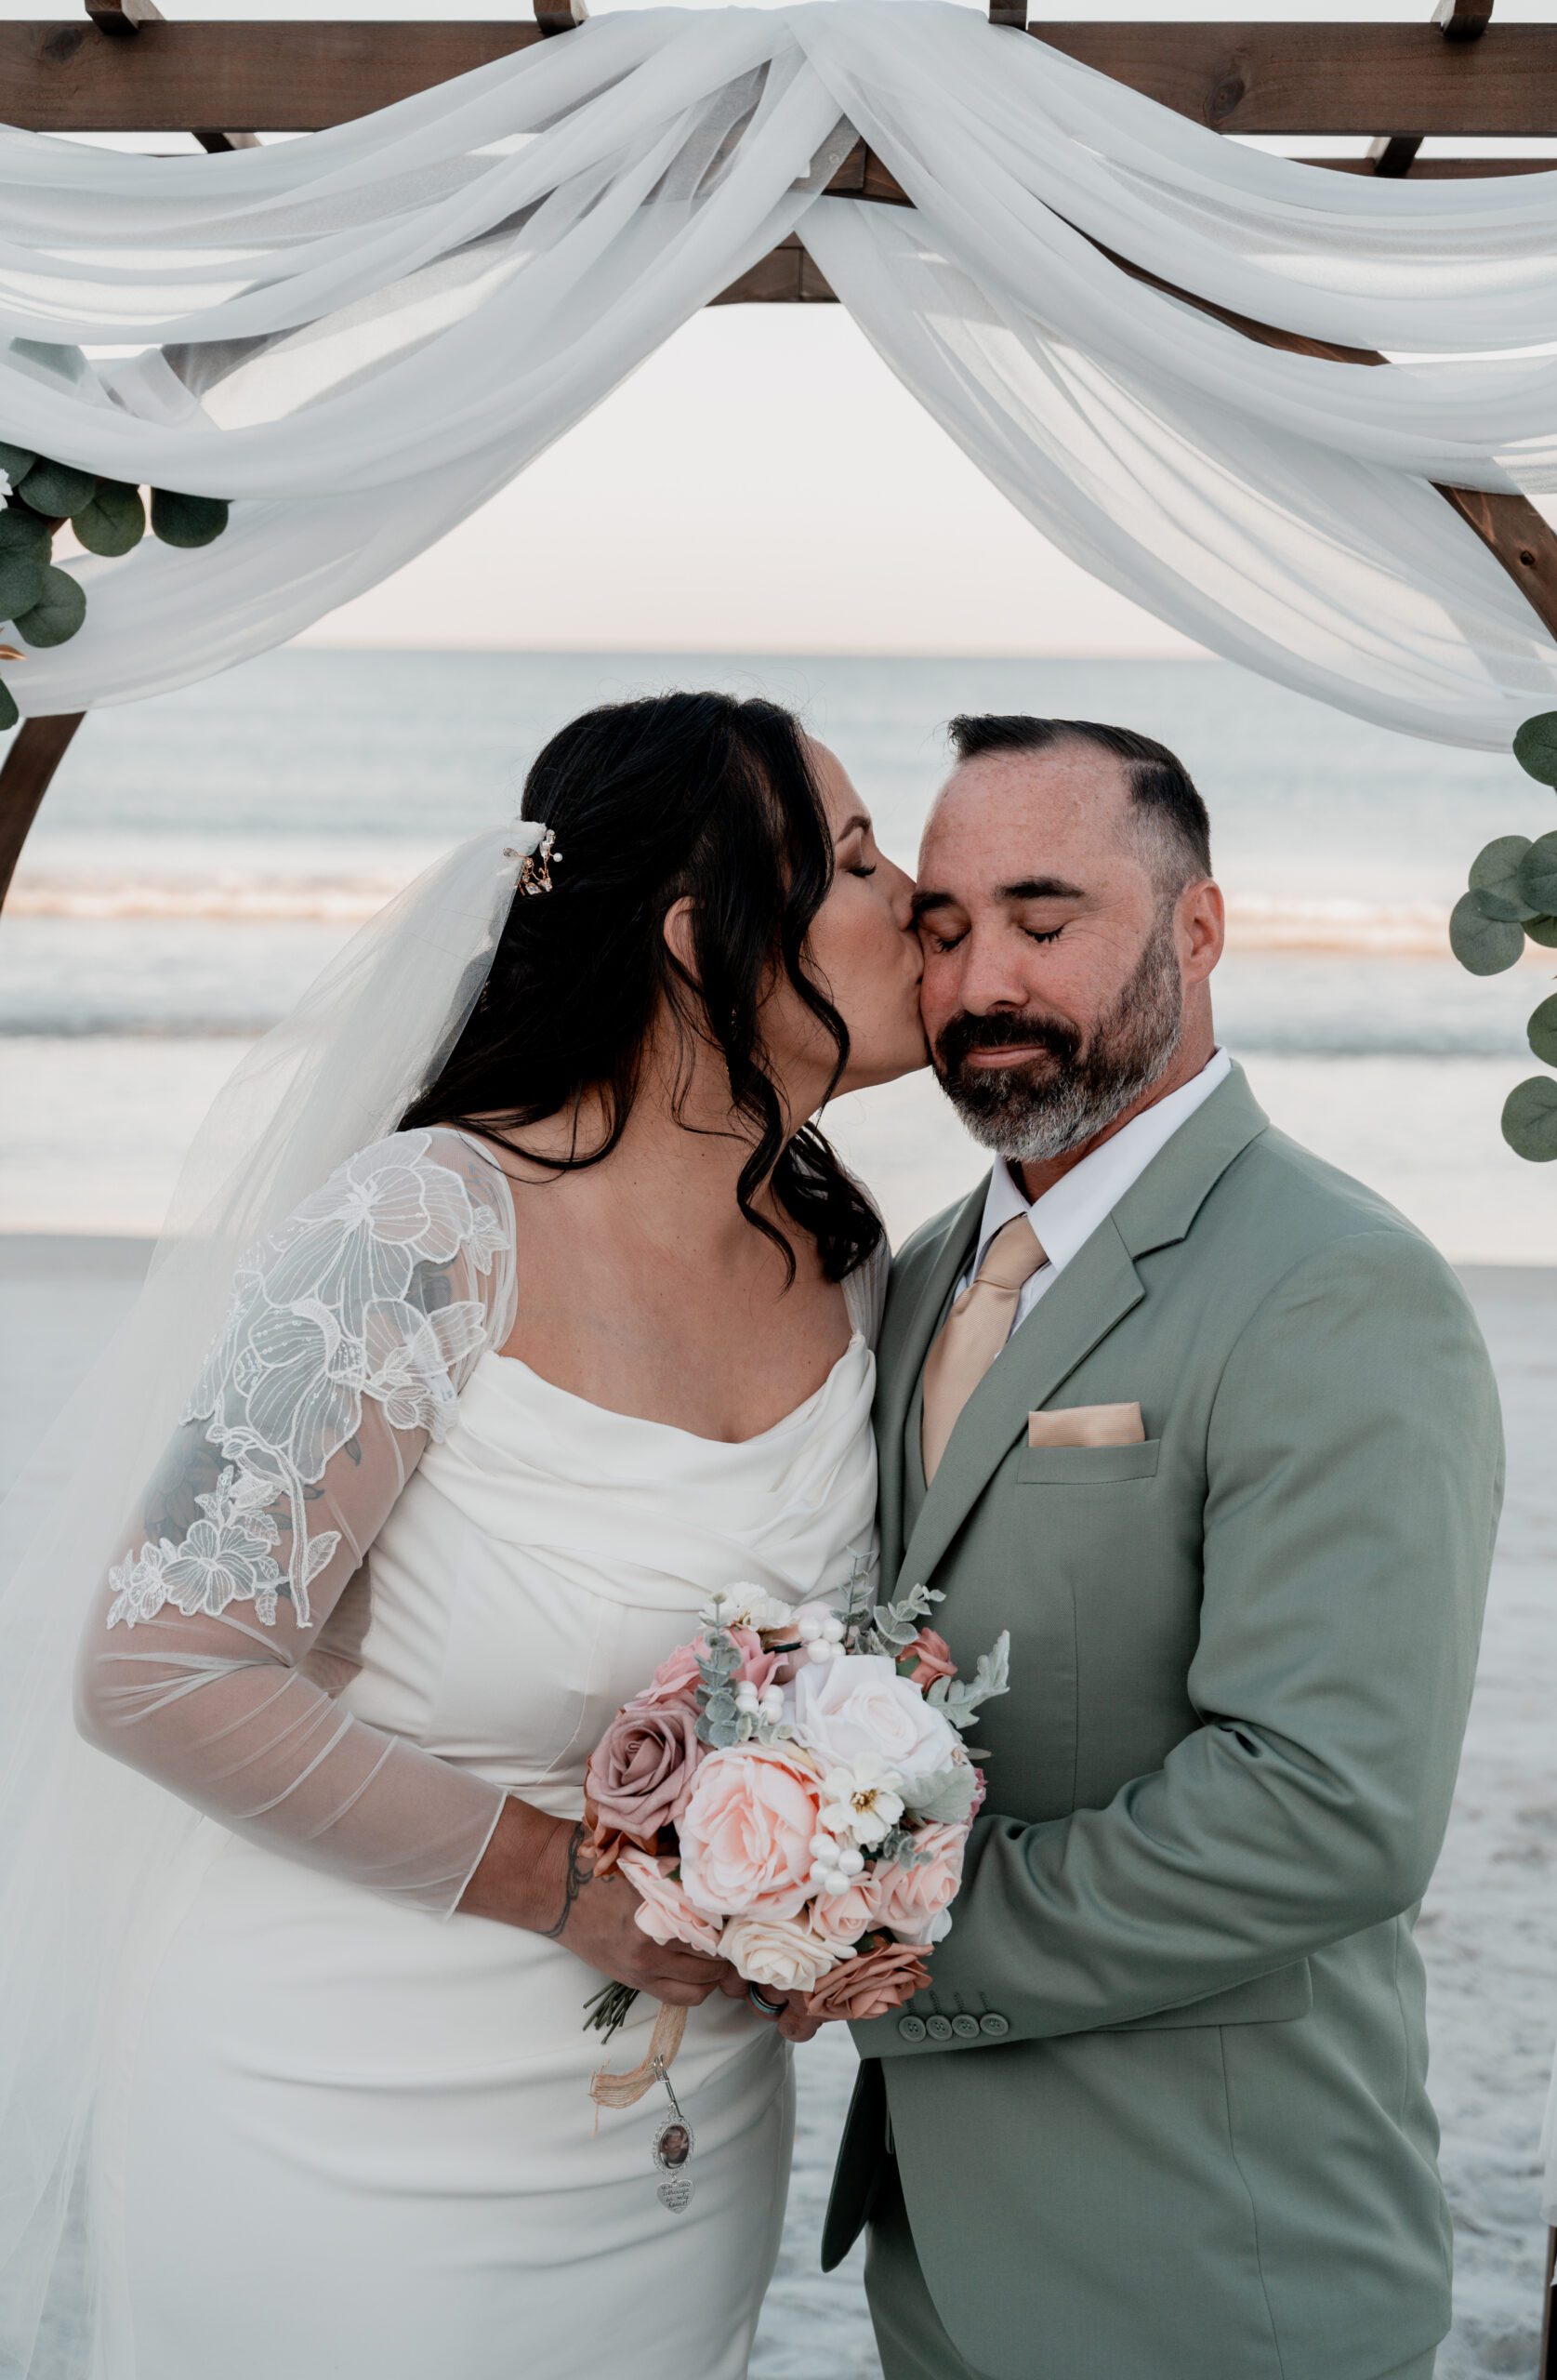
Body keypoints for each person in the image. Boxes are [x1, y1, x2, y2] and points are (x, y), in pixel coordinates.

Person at [33, 692, 926, 2380]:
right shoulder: (426, 1229)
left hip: (677, 2132)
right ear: (698, 942)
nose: (918, 901)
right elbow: (155, 1668)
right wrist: (568, 1889)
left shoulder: (847, 1264)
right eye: (861, 861)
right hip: (346, 2110)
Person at [809, 716, 1505, 2380]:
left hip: (1209, 2257)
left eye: (1045, 923)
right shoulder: (912, 1276)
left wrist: (885, 1939)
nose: (983, 981)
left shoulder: (1338, 1287)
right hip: (935, 2257)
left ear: (1198, 930)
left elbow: (1326, 1807)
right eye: (943, 927)